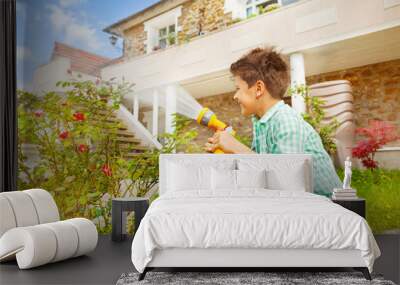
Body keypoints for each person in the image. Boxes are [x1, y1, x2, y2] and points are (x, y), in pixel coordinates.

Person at [204, 46, 341, 197]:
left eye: (238, 88)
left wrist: (236, 147)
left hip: (328, 210)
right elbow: (262, 171)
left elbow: (287, 185)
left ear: (258, 89)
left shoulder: (286, 122)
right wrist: (229, 153)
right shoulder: (262, 123)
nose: (235, 96)